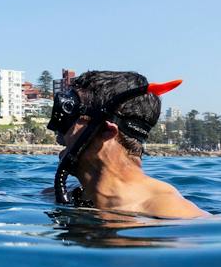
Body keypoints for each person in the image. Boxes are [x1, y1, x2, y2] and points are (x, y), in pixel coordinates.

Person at [48, 71, 206, 218]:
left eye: (68, 120)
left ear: (106, 131)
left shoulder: (172, 212)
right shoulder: (68, 194)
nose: (58, 136)